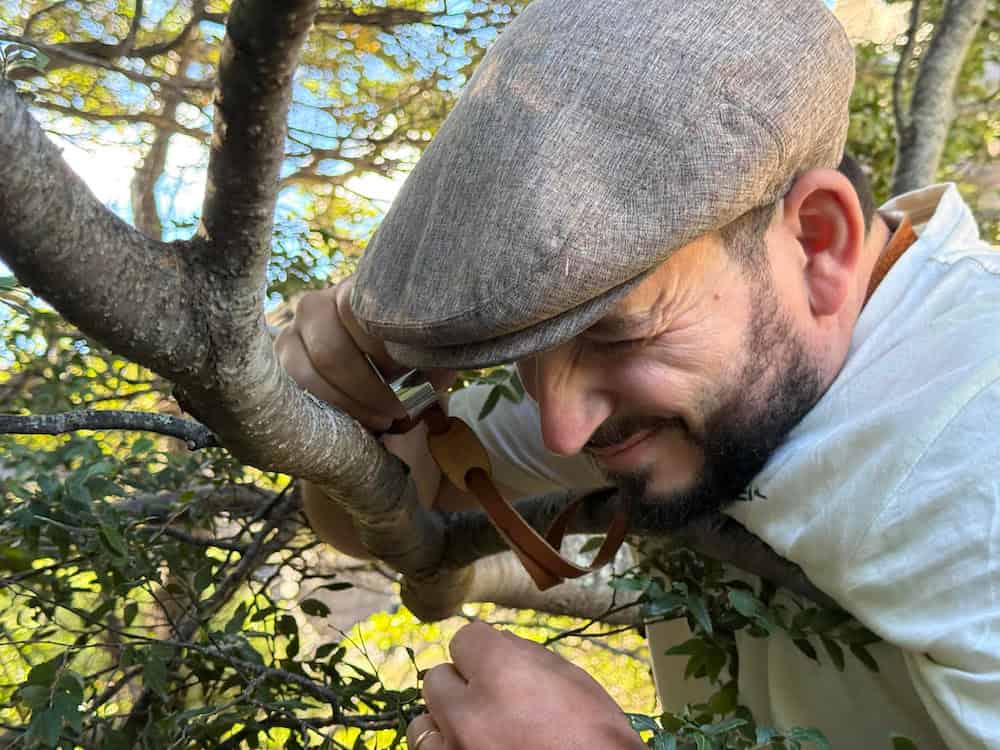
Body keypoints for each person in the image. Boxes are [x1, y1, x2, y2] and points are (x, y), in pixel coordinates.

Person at [276, 0, 1000, 747]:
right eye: (529, 344)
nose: (563, 429)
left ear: (819, 243)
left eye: (617, 333)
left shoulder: (976, 447)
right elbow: (391, 516)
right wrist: (353, 403)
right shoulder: (675, 379)